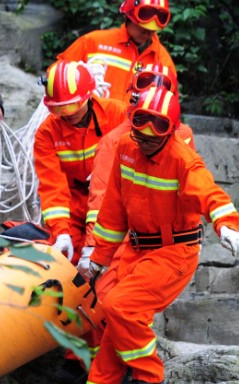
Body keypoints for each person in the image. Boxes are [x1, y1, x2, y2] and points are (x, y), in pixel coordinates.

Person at [57, 86, 239, 384]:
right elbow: (112, 212)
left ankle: (148, 372)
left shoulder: (182, 158)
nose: (144, 138)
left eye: (154, 131)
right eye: (138, 127)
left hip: (174, 251)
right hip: (134, 247)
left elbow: (210, 194)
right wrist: (97, 258)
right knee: (109, 327)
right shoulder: (126, 149)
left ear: (171, 129)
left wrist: (226, 225)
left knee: (121, 308)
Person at [78, 63, 195, 294]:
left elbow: (193, 189)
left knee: (124, 302)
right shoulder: (116, 142)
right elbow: (100, 202)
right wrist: (92, 247)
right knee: (107, 298)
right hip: (130, 238)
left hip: (168, 243)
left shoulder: (184, 136)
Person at [34, 60, 129, 265]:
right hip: (74, 209)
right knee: (68, 261)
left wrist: (94, 243)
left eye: (71, 106)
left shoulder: (119, 116)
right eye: (59, 109)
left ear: (88, 96)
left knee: (114, 261)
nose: (67, 115)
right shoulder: (47, 133)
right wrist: (60, 232)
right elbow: (52, 187)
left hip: (115, 206)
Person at [57, 0, 177, 104]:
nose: (148, 32)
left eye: (152, 30)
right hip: (92, 124)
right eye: (142, 27)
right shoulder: (94, 43)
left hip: (132, 128)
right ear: (128, 17)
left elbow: (168, 103)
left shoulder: (162, 60)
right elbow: (58, 74)